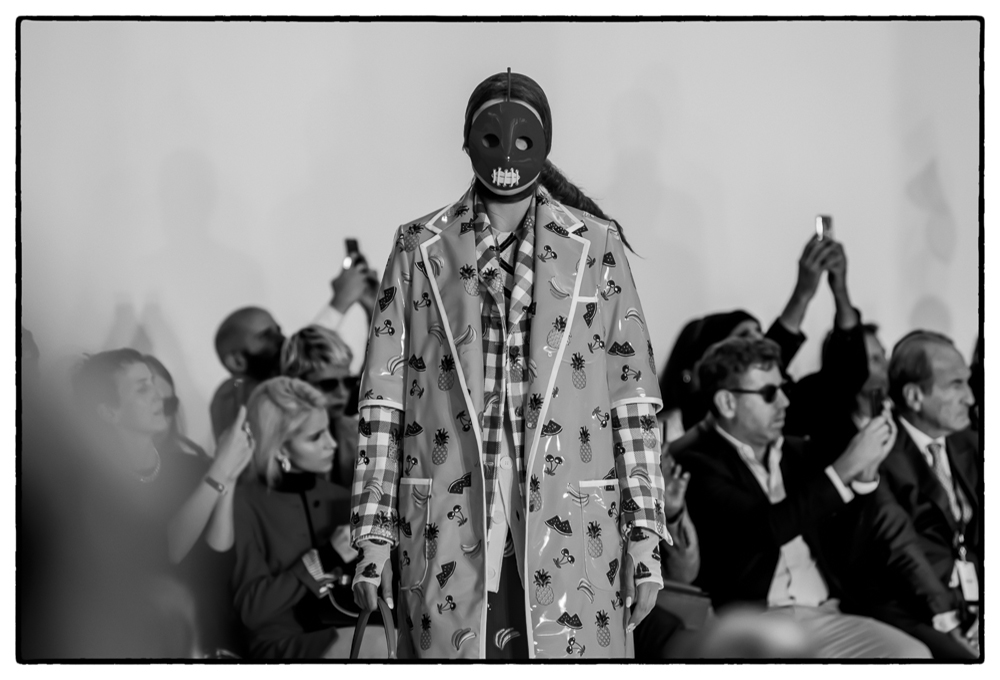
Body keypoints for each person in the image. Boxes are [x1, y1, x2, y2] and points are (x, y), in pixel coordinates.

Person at [350, 70, 668, 659]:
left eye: (523, 138)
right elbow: (383, 400)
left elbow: (633, 399)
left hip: (572, 520)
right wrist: (373, 538)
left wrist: (644, 538)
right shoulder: (417, 246)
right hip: (449, 520)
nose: (507, 152)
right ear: (468, 140)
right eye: (493, 135)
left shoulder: (595, 245)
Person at [670, 337, 930, 658]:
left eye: (783, 389)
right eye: (769, 393)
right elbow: (764, 528)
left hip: (826, 612)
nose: (784, 402)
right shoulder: (695, 462)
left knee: (913, 656)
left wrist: (864, 476)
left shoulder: (799, 452)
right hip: (754, 620)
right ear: (726, 403)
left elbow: (850, 543)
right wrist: (844, 469)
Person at [232, 377, 386, 659]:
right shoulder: (243, 504)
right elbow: (252, 611)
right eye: (315, 437)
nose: (332, 444)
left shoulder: (343, 497)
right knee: (382, 645)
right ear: (280, 448)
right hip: (283, 645)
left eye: (327, 430)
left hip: (347, 624)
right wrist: (324, 559)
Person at [657, 235, 859, 443]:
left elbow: (845, 379)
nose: (759, 342)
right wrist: (802, 294)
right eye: (743, 338)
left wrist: (840, 292)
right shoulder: (683, 424)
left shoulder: (780, 405)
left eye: (759, 333)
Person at [873, 330, 981, 657]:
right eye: (956, 385)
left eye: (967, 382)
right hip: (914, 604)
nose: (970, 398)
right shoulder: (880, 454)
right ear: (914, 396)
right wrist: (948, 618)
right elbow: (902, 550)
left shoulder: (970, 443)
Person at [144, 354, 250, 656]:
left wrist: (228, 477)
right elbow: (168, 552)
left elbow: (218, 560)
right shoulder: (108, 475)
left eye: (169, 404)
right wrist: (219, 472)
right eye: (146, 394)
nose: (161, 411)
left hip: (207, 625)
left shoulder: (194, 466)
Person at [210, 264, 378, 439]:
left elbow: (361, 392)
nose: (281, 339)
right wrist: (340, 302)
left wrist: (374, 312)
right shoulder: (233, 396)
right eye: (267, 337)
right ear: (236, 361)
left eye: (278, 331)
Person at [783, 322, 885, 464]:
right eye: (874, 359)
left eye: (883, 354)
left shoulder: (897, 414)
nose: (886, 364)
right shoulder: (826, 429)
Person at [280, 324, 357, 488]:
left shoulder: (359, 435)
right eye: (328, 384)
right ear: (298, 385)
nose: (342, 393)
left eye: (349, 382)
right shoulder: (274, 438)